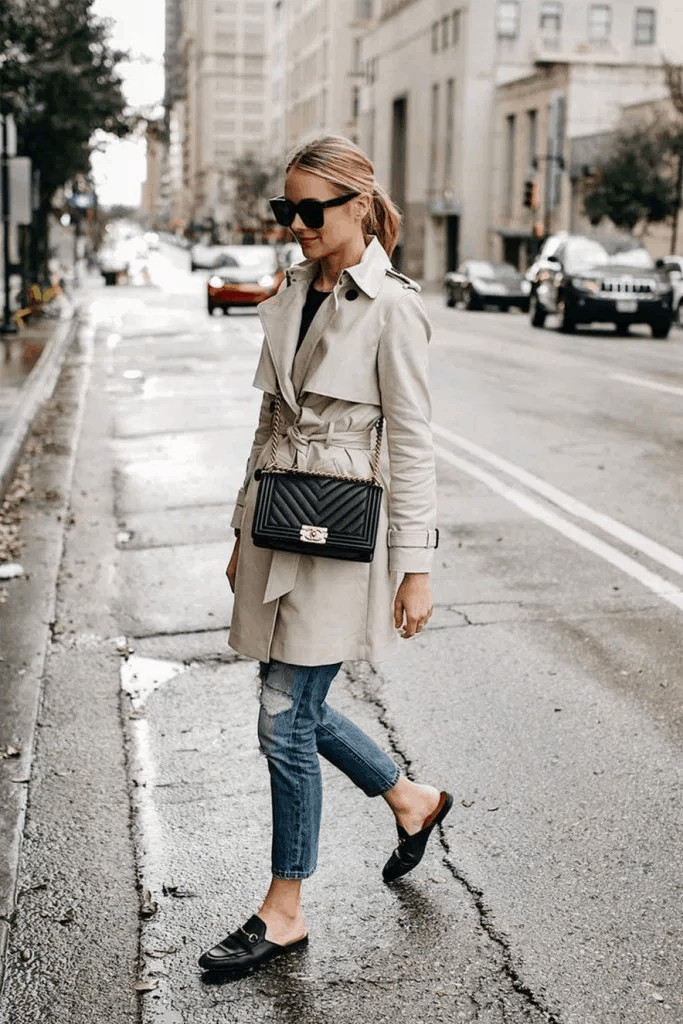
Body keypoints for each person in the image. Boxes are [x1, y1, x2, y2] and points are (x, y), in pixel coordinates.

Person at [199, 135, 451, 979]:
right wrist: (241, 531)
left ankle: (284, 910)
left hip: (343, 537)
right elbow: (268, 425)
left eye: (312, 209)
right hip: (277, 525)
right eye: (287, 209)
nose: (296, 224)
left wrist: (414, 566)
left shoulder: (393, 307)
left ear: (358, 205)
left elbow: (412, 444)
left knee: (281, 719)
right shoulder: (292, 291)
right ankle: (410, 800)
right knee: (292, 705)